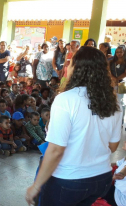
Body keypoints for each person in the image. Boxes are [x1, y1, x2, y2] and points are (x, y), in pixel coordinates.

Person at [26, 47, 122, 206]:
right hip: (101, 178)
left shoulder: (66, 99)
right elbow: (112, 146)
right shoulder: (113, 102)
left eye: (70, 63)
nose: (67, 67)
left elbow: (56, 150)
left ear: (77, 69)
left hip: (69, 181)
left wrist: (36, 185)